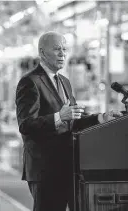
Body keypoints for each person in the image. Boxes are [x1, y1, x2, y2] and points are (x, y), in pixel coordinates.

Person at [15, 31, 122, 211]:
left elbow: (74, 119)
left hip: (70, 167)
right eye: (57, 49)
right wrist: (58, 117)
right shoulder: (30, 82)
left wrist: (100, 117)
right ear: (42, 53)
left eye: (65, 49)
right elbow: (26, 125)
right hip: (45, 169)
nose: (63, 54)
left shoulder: (64, 82)